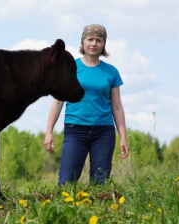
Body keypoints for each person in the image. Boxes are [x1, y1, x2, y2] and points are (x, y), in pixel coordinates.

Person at [44, 24, 129, 186]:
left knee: (100, 183)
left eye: (99, 40)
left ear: (103, 44)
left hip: (104, 132)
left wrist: (123, 137)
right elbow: (58, 101)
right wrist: (49, 132)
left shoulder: (111, 72)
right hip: (75, 131)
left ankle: (97, 212)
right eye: (90, 39)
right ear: (83, 42)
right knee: (66, 182)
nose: (94, 43)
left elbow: (117, 107)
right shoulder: (70, 67)